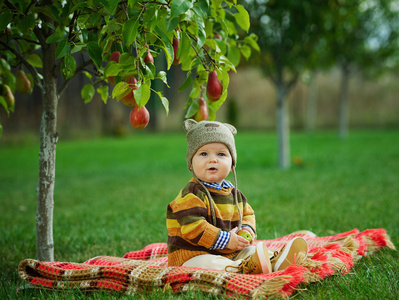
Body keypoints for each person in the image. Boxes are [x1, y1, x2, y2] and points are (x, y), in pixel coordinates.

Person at [166, 119, 308, 274]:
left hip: (228, 251)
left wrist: (246, 229)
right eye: (203, 153)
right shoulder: (192, 193)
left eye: (221, 154)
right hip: (192, 254)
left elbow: (247, 213)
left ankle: (276, 262)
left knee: (251, 251)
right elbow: (193, 227)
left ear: (232, 165)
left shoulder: (233, 193)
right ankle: (244, 268)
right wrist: (226, 239)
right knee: (209, 263)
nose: (213, 159)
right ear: (191, 163)